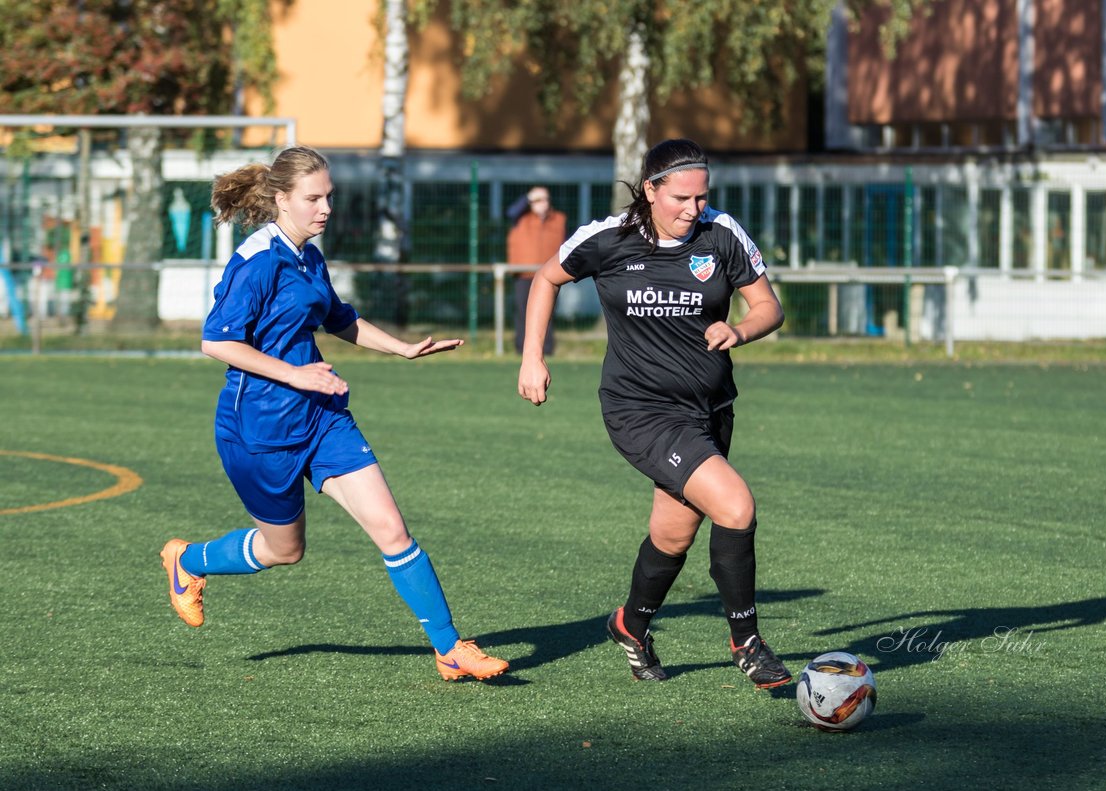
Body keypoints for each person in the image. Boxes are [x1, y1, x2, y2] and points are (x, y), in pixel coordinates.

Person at [160, 146, 507, 682]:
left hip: (322, 419)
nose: (325, 208)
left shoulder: (308, 256)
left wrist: (403, 349)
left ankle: (449, 649)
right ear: (281, 200)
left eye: (329, 198)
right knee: (284, 550)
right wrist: (297, 373)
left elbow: (340, 319)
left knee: (392, 529)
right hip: (258, 430)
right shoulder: (256, 262)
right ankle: (189, 560)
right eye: (313, 198)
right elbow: (216, 342)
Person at [517, 138, 791, 688]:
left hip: (710, 408)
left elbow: (769, 307)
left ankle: (630, 624)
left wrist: (738, 329)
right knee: (735, 507)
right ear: (651, 189)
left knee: (673, 534)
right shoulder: (608, 237)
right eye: (681, 198)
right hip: (640, 410)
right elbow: (546, 279)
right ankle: (747, 643)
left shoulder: (722, 233)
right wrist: (532, 357)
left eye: (702, 197)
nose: (693, 209)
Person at [506, 186, 566, 355]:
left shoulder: (558, 219)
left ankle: (546, 350)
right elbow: (510, 212)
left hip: (548, 276)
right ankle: (522, 348)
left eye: (545, 199)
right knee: (522, 312)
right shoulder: (520, 218)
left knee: (546, 313)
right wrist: (527, 198)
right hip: (523, 274)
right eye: (537, 200)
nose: (542, 203)